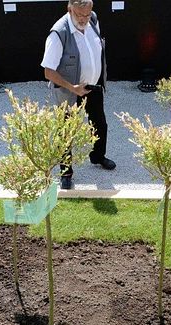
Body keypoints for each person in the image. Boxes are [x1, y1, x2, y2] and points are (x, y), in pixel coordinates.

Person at [41, 0, 116, 190]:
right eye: (79, 15)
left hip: (92, 86)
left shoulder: (93, 19)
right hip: (68, 91)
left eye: (87, 15)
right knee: (66, 131)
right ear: (69, 9)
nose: (84, 19)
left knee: (100, 124)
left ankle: (98, 156)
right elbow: (48, 72)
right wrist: (73, 87)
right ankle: (66, 173)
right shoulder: (58, 33)